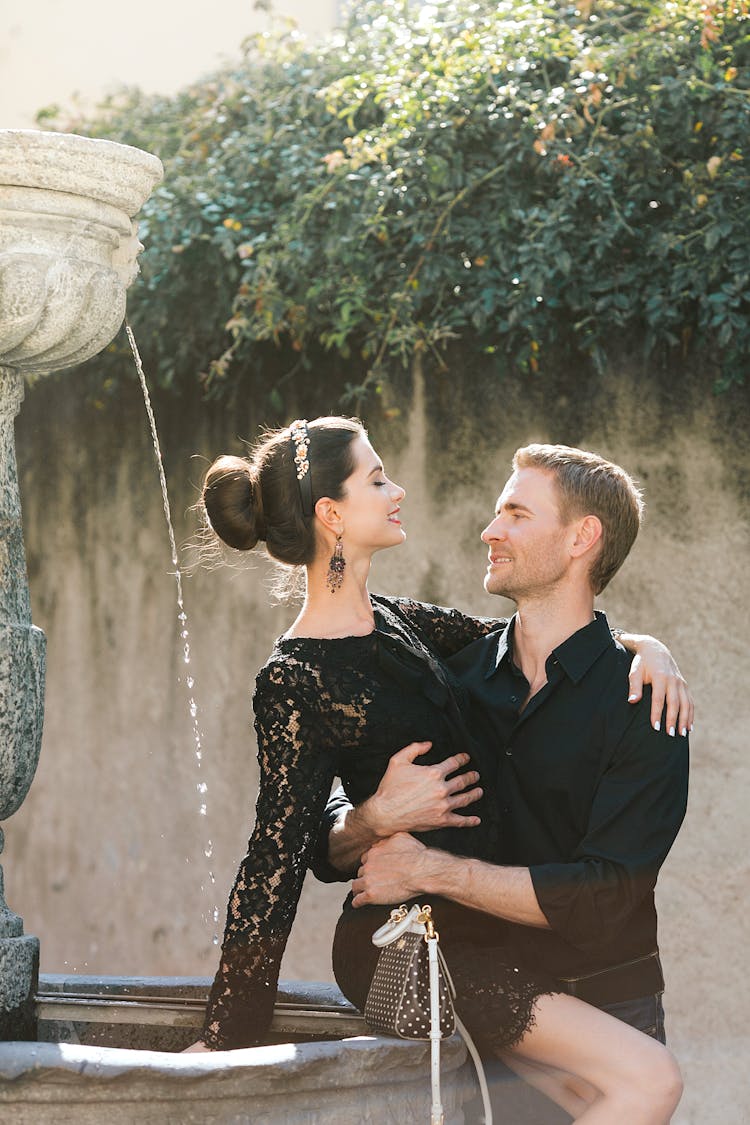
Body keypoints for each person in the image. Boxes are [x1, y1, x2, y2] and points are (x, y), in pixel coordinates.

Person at [186, 418, 686, 1123]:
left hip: (475, 930)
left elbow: (543, 635)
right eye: (378, 478)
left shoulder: (403, 623)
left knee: (596, 1096)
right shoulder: (294, 676)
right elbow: (276, 850)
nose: (398, 489)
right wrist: (226, 1027)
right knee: (648, 1080)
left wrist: (646, 646)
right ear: (332, 513)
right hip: (403, 939)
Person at [318, 441, 690, 1114]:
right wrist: (374, 817)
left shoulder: (646, 704)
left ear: (583, 536)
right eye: (497, 512)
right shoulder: (452, 678)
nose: (491, 530)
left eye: (516, 513)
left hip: (605, 1004)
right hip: (473, 995)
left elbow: (605, 895)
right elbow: (335, 831)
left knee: (646, 1081)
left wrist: (431, 869)